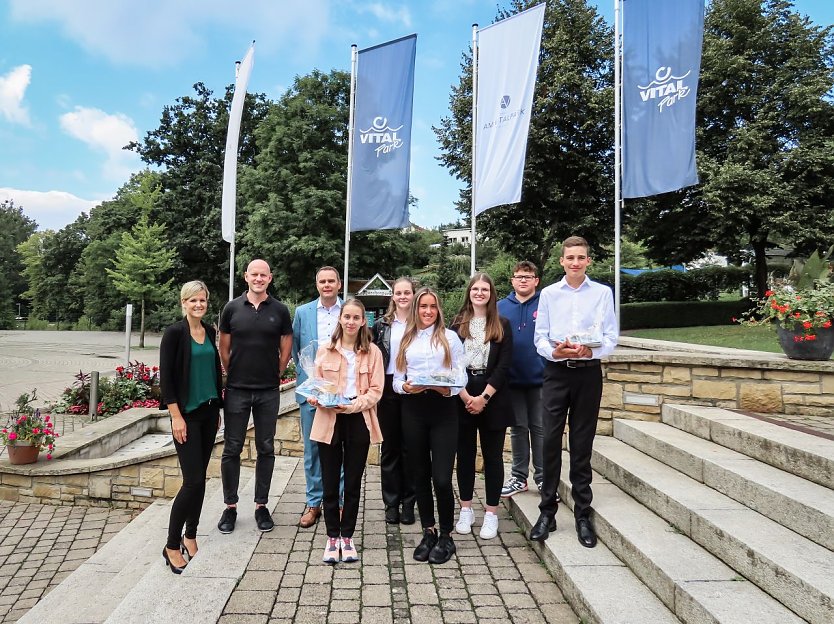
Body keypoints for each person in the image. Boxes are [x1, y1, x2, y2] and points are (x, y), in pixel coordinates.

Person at [530, 236, 618, 548]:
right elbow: (540, 338)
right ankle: (547, 511)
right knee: (550, 441)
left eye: (581, 257)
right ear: (562, 261)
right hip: (556, 374)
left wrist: (589, 352)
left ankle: (583, 512)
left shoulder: (602, 293)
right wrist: (556, 352)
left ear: (588, 261)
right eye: (570, 258)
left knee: (582, 444)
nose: (576, 263)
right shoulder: (550, 294)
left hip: (588, 375)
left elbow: (610, 338)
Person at [217, 259, 293, 534]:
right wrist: (234, 371)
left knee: (266, 448)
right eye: (254, 274)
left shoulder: (280, 310)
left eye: (264, 275)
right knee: (232, 448)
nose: (259, 278)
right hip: (237, 389)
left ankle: (261, 505)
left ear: (270, 278)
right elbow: (224, 347)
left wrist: (278, 371)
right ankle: (230, 507)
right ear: (246, 276)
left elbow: (286, 346)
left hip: (268, 391)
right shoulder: (232, 308)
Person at [308, 299, 384, 563]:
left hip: (357, 418)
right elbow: (316, 386)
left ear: (364, 321)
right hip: (329, 419)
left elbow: (376, 391)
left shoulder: (372, 352)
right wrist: (314, 397)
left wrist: (352, 406)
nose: (351, 322)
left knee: (352, 483)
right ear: (340, 319)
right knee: (330, 482)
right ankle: (331, 538)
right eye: (347, 317)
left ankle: (348, 537)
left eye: (356, 318)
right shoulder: (325, 351)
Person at [394, 287, 466, 565]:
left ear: (438, 309)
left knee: (442, 479)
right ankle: (429, 531)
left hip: (443, 410)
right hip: (413, 410)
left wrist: (443, 388)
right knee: (420, 476)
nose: (427, 311)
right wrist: (406, 387)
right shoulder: (406, 339)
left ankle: (447, 535)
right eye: (423, 306)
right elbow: (397, 380)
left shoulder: (450, 338)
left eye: (432, 307)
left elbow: (461, 378)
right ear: (415, 309)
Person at [159, 281, 224, 574]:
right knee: (192, 481)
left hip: (209, 414)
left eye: (203, 300)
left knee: (201, 480)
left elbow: (213, 371)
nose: (199, 304)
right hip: (186, 416)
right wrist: (176, 417)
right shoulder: (174, 333)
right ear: (183, 303)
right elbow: (167, 380)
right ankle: (172, 545)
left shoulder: (210, 331)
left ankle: (191, 536)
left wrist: (218, 407)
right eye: (193, 300)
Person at [451, 273, 514, 540]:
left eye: (484, 289)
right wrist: (466, 397)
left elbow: (503, 367)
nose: (479, 293)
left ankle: (490, 512)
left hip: (492, 397)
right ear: (469, 292)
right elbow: (451, 365)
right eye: (475, 288)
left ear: (491, 293)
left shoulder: (502, 324)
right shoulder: (457, 324)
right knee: (464, 456)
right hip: (462, 394)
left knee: (492, 457)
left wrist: (483, 398)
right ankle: (466, 508)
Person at [292, 266, 343, 528]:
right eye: (322, 281)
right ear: (317, 284)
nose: (327, 285)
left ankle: (341, 502)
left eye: (331, 281)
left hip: (343, 393)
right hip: (312, 392)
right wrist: (308, 382)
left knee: (340, 449)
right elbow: (296, 351)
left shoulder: (349, 311)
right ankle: (314, 503)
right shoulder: (302, 312)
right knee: (313, 450)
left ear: (339, 284)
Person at [498, 261, 547, 498]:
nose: (523, 280)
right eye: (519, 276)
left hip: (541, 380)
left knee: (540, 428)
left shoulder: (546, 305)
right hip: (511, 381)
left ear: (536, 280)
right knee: (518, 429)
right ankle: (519, 477)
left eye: (528, 276)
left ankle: (543, 477)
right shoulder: (499, 308)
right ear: (512, 280)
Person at [372, 277, 417, 525]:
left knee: (411, 448)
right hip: (388, 388)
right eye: (398, 292)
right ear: (393, 296)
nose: (402, 296)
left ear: (413, 294)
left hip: (414, 387)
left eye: (407, 292)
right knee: (389, 448)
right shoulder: (381, 325)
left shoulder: (422, 323)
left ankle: (410, 502)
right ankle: (391, 503)